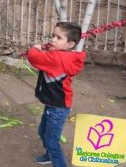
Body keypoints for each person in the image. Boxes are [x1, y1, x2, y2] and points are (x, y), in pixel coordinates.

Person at [27, 22, 86, 167]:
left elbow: (34, 57)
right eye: (53, 35)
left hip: (57, 108)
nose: (53, 39)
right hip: (54, 104)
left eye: (59, 38)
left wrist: (35, 48)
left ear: (70, 44)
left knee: (52, 142)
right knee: (43, 132)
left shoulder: (56, 58)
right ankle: (48, 156)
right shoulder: (64, 55)